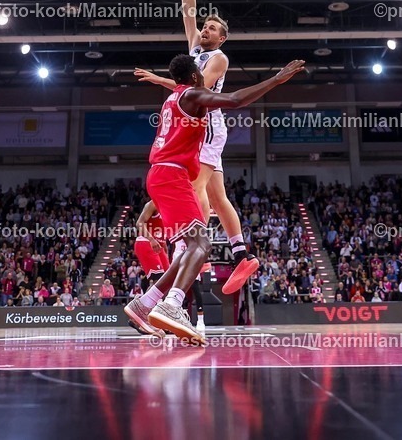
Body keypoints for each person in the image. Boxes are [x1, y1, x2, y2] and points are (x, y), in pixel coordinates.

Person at [125, 53, 304, 343]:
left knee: (189, 249)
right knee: (202, 244)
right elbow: (234, 100)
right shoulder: (192, 94)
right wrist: (276, 79)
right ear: (195, 76)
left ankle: (144, 304)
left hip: (161, 175)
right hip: (172, 176)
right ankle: (172, 305)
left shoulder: (172, 99)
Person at [133, 0, 259, 295]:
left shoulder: (219, 58)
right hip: (201, 125)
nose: (204, 30)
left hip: (207, 124)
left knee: (195, 187)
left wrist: (162, 81)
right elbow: (188, 11)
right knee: (218, 196)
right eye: (205, 26)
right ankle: (241, 254)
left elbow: (196, 90)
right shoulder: (196, 49)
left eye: (212, 28)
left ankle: (189, 248)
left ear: (222, 38)